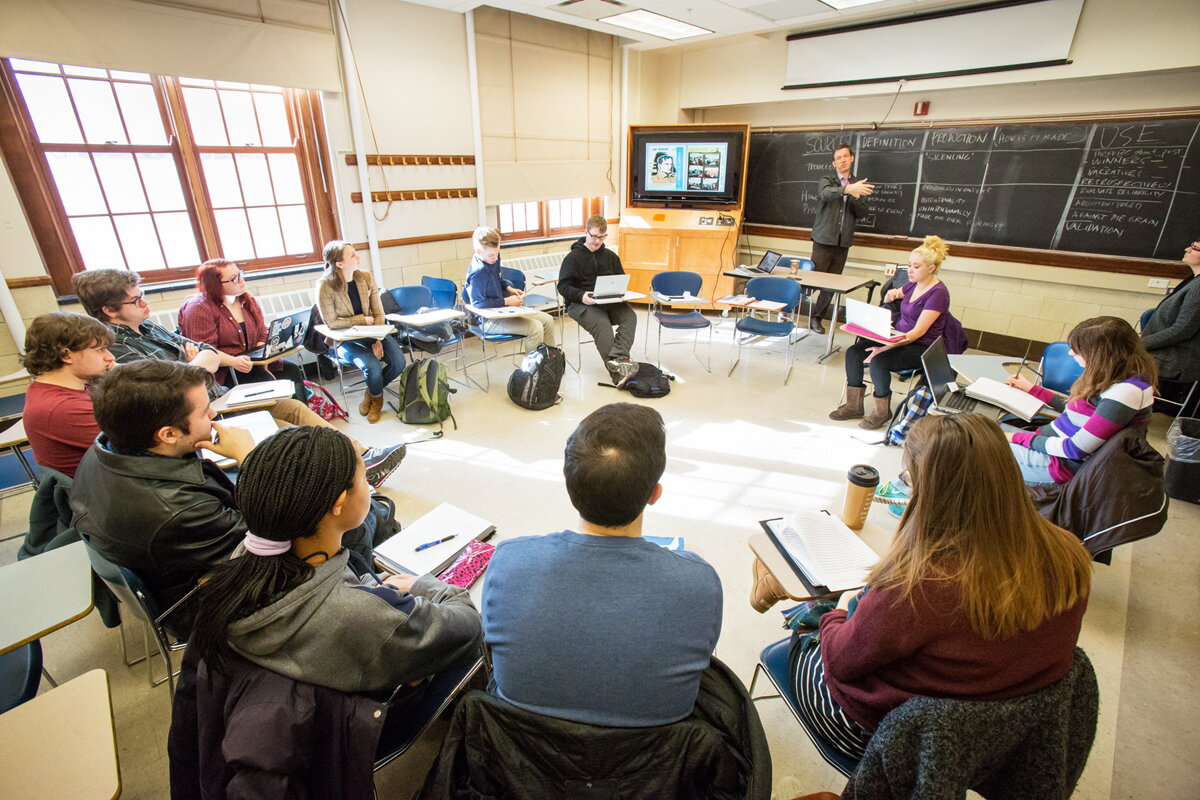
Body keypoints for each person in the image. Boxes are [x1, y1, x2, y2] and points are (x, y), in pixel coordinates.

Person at [757, 413, 1092, 762]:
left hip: (895, 741)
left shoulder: (921, 586)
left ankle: (775, 591)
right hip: (1001, 735)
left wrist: (842, 609)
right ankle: (774, 589)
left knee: (823, 617)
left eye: (909, 478)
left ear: (928, 488)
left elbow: (841, 662)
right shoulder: (1067, 550)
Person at [186, 425, 482, 698]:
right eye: (365, 478)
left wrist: (370, 589)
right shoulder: (364, 615)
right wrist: (423, 586)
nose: (370, 487)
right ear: (339, 503)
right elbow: (467, 625)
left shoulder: (246, 557)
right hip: (359, 731)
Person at [481, 403, 723, 727]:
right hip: (659, 764)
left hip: (521, 758)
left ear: (570, 487)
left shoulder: (509, 561)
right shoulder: (698, 581)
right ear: (655, 494)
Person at [73, 267, 405, 486]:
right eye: (136, 299)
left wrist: (198, 362)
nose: (144, 303)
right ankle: (346, 469)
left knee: (293, 406)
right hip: (196, 413)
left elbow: (200, 350)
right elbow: (174, 385)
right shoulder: (115, 346)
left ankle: (360, 456)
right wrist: (198, 363)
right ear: (109, 311)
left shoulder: (148, 326)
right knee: (286, 426)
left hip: (214, 395)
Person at [70, 360, 260, 634]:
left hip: (176, 567)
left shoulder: (105, 448)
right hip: (198, 602)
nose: (214, 412)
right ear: (168, 434)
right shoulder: (178, 510)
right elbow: (267, 536)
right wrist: (250, 459)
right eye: (205, 412)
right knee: (329, 518)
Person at [1005, 316, 1156, 486]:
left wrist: (1015, 437)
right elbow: (1078, 411)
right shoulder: (1118, 375)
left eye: (1077, 350)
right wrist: (1032, 389)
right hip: (1049, 447)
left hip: (1059, 464)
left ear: (1100, 354)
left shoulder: (1125, 393)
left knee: (974, 448)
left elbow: (1075, 449)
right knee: (980, 430)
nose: (1071, 353)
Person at [830, 235, 952, 429]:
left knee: (879, 361)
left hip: (920, 346)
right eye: (909, 265)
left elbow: (917, 333)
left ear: (931, 268)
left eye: (916, 266)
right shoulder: (914, 284)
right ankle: (853, 406)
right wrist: (892, 293)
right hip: (897, 337)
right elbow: (899, 293)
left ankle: (882, 411)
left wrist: (885, 348)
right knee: (854, 352)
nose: (909, 270)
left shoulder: (938, 294)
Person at [177, 258, 306, 400]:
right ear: (215, 285)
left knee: (291, 370)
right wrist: (235, 361)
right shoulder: (198, 308)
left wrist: (263, 356)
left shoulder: (246, 299)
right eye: (234, 279)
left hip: (251, 362)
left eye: (240, 274)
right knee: (262, 380)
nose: (241, 280)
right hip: (225, 370)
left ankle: (298, 419)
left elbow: (262, 332)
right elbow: (204, 350)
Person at [317, 240, 405, 423]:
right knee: (371, 364)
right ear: (339, 264)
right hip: (344, 339)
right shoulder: (324, 285)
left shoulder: (364, 277)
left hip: (373, 333)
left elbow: (378, 312)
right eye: (352, 255)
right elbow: (331, 322)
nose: (358, 257)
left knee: (398, 362)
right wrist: (361, 320)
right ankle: (377, 401)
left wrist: (378, 339)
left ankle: (371, 392)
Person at [20, 312, 114, 477]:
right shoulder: (63, 408)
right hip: (105, 493)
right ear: (66, 355)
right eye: (100, 350)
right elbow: (140, 448)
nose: (110, 357)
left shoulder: (67, 387)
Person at [557, 215, 638, 385]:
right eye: (594, 236)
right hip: (580, 303)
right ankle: (618, 376)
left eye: (601, 237)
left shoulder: (610, 256)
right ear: (585, 232)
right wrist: (581, 296)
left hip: (610, 301)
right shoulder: (572, 258)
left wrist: (621, 293)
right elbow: (563, 287)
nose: (597, 241)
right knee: (602, 325)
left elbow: (620, 279)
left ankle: (619, 358)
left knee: (630, 316)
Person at [805, 143, 874, 334]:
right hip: (823, 239)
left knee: (831, 285)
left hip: (843, 242)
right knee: (812, 281)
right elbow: (825, 195)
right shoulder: (827, 180)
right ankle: (788, 307)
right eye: (839, 158)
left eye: (846, 156)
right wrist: (846, 190)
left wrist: (856, 195)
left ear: (851, 159)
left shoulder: (859, 184)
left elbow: (862, 213)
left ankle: (816, 318)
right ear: (834, 163)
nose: (842, 160)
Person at [463, 226, 557, 349]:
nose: (496, 258)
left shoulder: (491, 257)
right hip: (489, 320)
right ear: (479, 252)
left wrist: (508, 288)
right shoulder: (478, 272)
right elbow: (478, 304)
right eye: (492, 255)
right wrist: (507, 301)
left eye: (497, 253)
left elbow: (498, 278)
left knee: (548, 320)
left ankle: (550, 362)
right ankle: (534, 367)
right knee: (535, 328)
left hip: (504, 311)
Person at [1141, 239, 1200, 415]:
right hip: (1164, 351)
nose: (1187, 249)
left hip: (1174, 360)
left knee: (1116, 357)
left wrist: (1140, 343)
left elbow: (1182, 329)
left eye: (1195, 248)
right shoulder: (1193, 281)